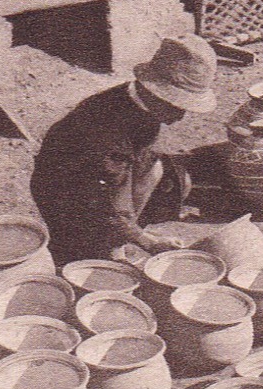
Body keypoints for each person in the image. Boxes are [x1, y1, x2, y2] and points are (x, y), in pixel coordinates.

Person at [30, 34, 218, 262]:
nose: (180, 116)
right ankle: (95, 246)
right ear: (153, 92)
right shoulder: (106, 133)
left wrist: (134, 232)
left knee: (164, 173)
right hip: (64, 190)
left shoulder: (140, 104)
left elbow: (137, 167)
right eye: (175, 105)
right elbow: (104, 197)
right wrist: (145, 240)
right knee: (85, 253)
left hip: (106, 175)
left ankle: (115, 240)